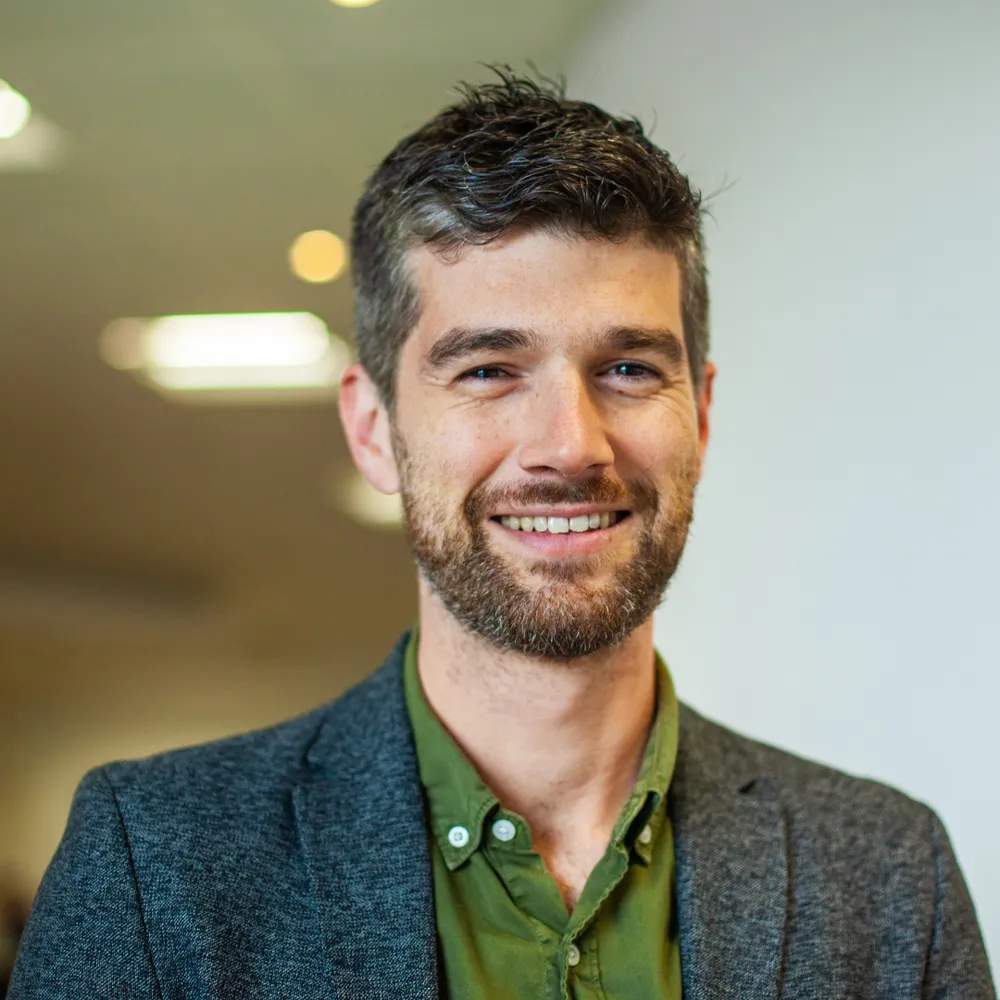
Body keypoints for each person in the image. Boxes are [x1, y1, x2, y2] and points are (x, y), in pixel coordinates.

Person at [10, 70, 995, 1000]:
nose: (570, 446)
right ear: (373, 429)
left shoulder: (888, 876)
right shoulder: (156, 862)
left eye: (628, 369)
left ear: (699, 413)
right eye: (488, 370)